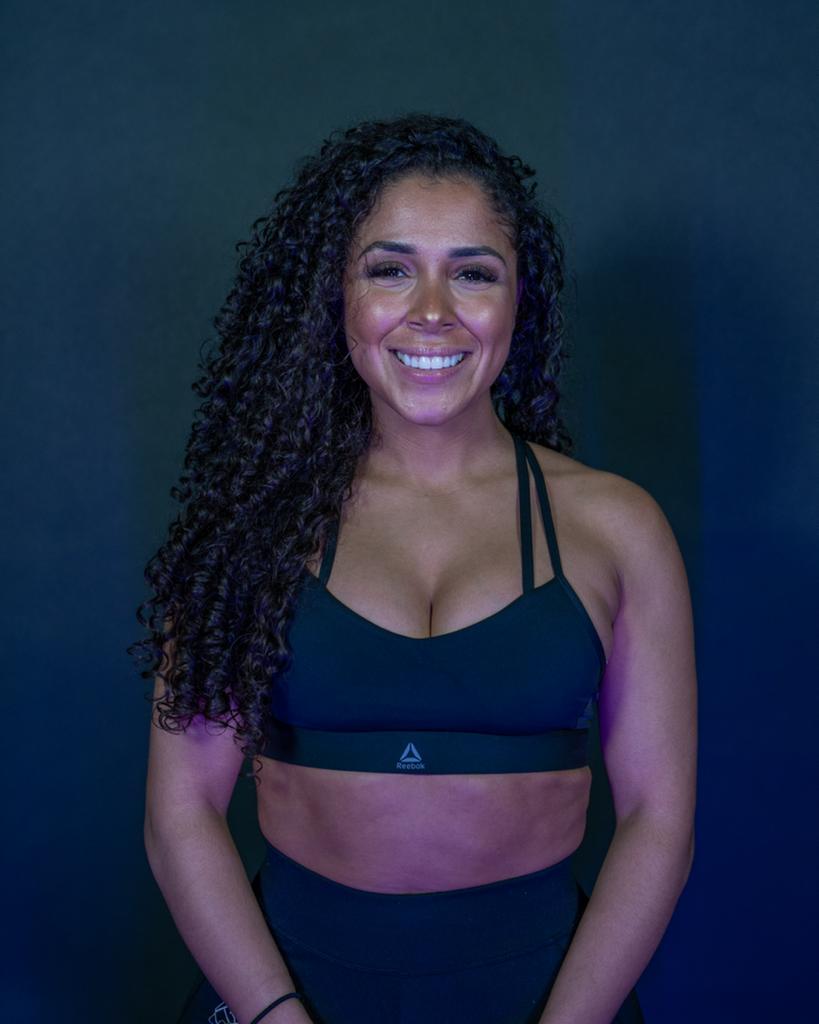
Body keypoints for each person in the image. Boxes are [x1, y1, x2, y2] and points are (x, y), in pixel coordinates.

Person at [132, 112, 697, 1024]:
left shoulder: (616, 528)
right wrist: (276, 1018)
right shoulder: (253, 524)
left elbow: (657, 823)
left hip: (545, 998)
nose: (430, 311)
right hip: (286, 990)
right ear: (336, 296)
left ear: (521, 301)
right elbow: (180, 815)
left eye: (472, 272)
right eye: (389, 269)